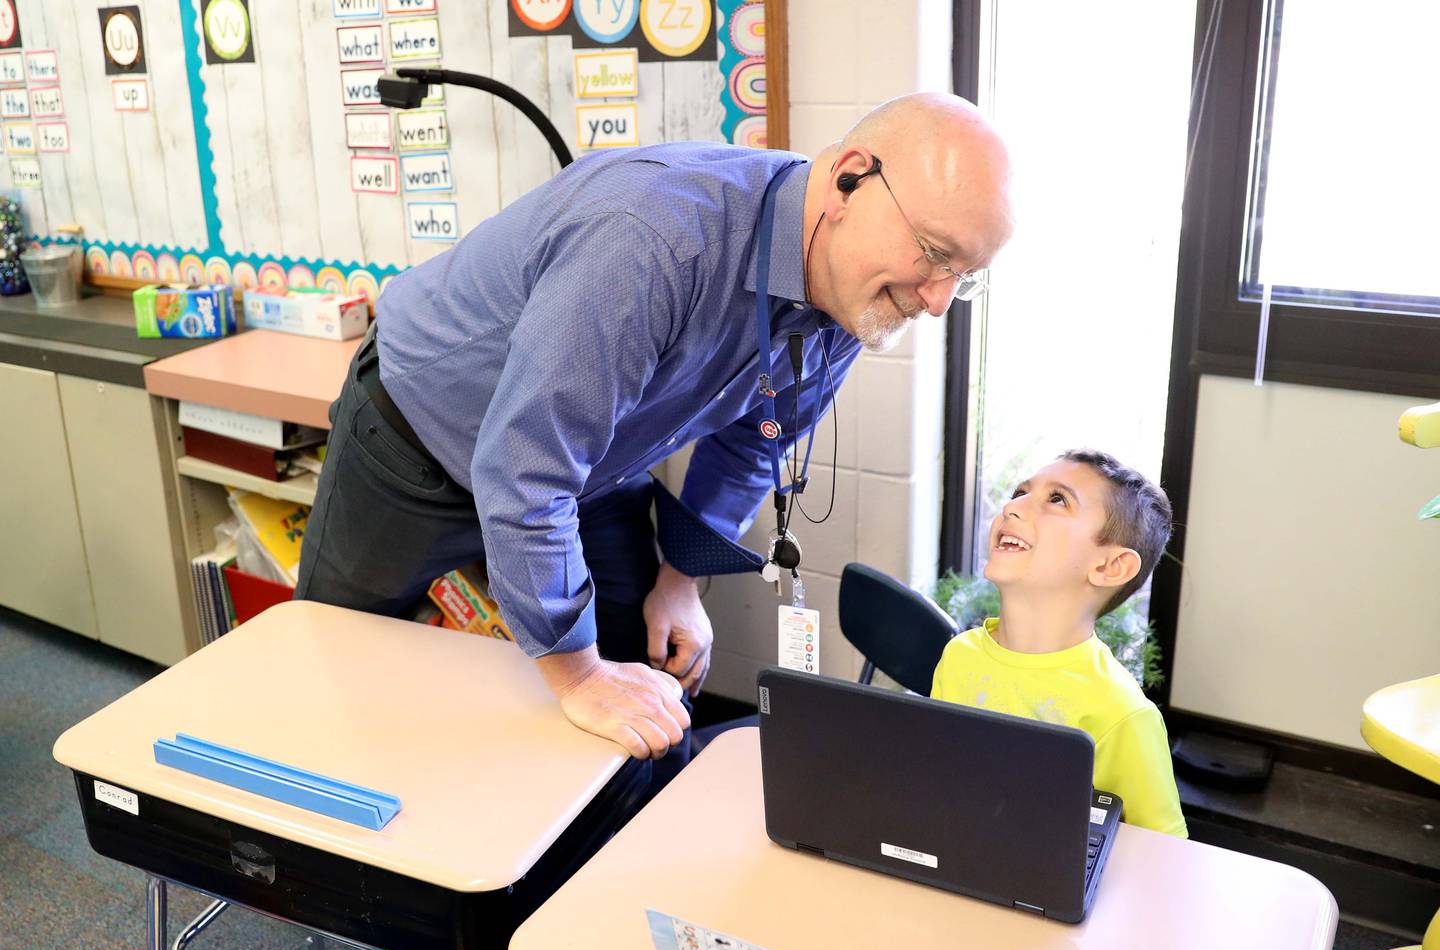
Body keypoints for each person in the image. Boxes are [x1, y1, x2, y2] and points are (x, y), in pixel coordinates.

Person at [297, 93, 1015, 768]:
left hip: (593, 462)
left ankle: (581, 870)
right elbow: (525, 469)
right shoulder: (651, 238)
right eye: (933, 251)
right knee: (336, 658)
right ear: (851, 180)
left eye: (966, 276)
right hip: (414, 442)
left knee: (643, 664)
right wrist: (577, 677)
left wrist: (681, 583)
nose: (936, 299)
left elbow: (752, 445)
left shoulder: (853, 294)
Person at [930, 449, 1188, 837]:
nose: (1012, 507)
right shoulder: (959, 656)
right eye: (1020, 491)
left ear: (1109, 567)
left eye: (1056, 500)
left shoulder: (1122, 713)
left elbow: (1167, 858)